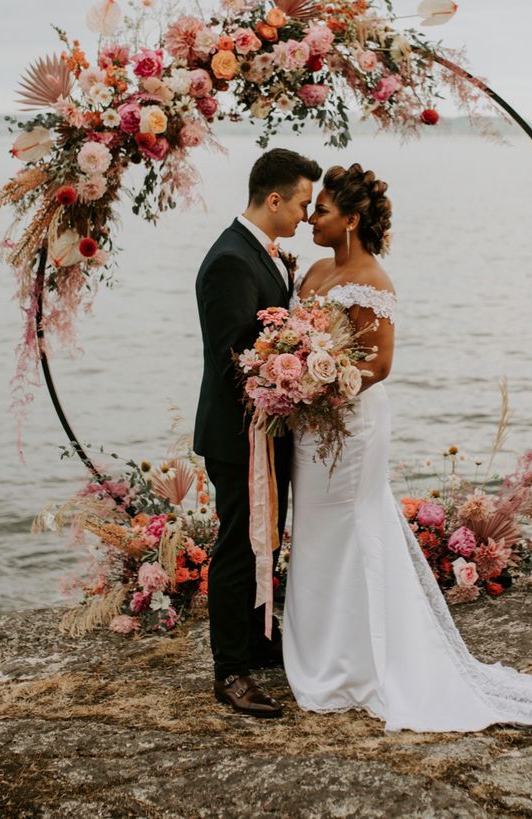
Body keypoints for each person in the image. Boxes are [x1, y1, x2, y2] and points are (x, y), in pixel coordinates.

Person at [283, 163, 532, 731]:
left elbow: (380, 364)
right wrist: (289, 375)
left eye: (321, 211)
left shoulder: (372, 282)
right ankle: (321, 650)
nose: (311, 219)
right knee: (315, 529)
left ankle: (363, 659)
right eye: (312, 208)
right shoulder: (315, 269)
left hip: (350, 426)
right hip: (310, 426)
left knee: (352, 527)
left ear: (352, 219)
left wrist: (315, 385)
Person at [194, 147, 322, 719]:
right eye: (300, 203)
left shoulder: (261, 254)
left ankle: (256, 642)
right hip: (238, 434)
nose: (305, 216)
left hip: (267, 430)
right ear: (273, 200)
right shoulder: (229, 261)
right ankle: (230, 671)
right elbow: (236, 360)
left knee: (265, 540)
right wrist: (294, 369)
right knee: (236, 546)